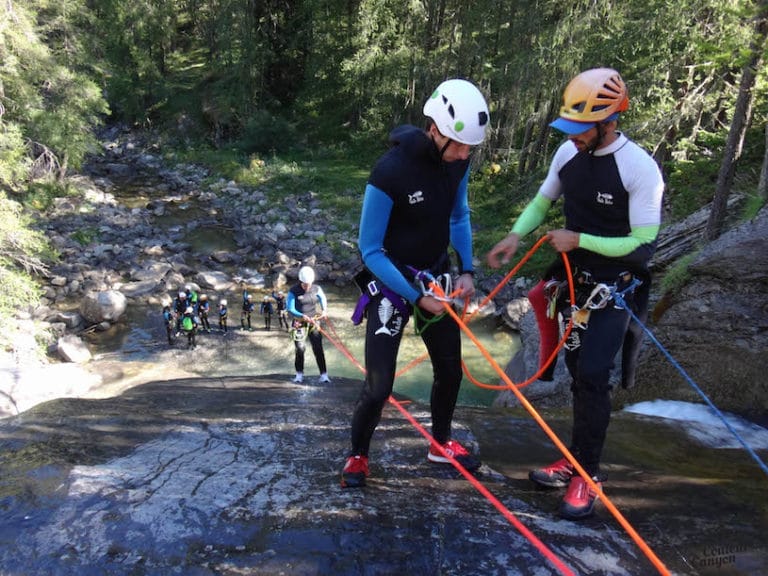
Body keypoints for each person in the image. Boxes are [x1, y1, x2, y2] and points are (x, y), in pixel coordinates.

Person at [486, 68, 664, 520]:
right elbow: (543, 201)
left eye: (582, 128)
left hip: (616, 288)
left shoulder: (639, 168)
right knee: (574, 366)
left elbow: (643, 244)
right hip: (575, 282)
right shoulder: (568, 152)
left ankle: (589, 474)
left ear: (609, 122)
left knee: (592, 373)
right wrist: (514, 236)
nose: (574, 136)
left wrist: (580, 240)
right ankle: (576, 460)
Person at [340, 78, 490, 489]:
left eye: (469, 148)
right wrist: (415, 296)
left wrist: (467, 269)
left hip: (436, 277)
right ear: (436, 130)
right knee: (379, 384)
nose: (464, 155)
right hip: (393, 282)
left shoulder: (458, 161)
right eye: (459, 146)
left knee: (450, 370)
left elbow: (458, 216)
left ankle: (439, 443)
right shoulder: (390, 171)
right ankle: (358, 455)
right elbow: (370, 249)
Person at [286, 265, 330, 384]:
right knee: (300, 348)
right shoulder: (293, 291)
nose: (307, 286)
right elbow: (290, 308)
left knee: (318, 348)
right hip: (299, 322)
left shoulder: (316, 288)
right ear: (301, 281)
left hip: (314, 321)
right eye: (305, 284)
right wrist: (302, 316)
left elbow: (322, 298)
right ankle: (299, 374)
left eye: (309, 283)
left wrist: (324, 310)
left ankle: (324, 374)